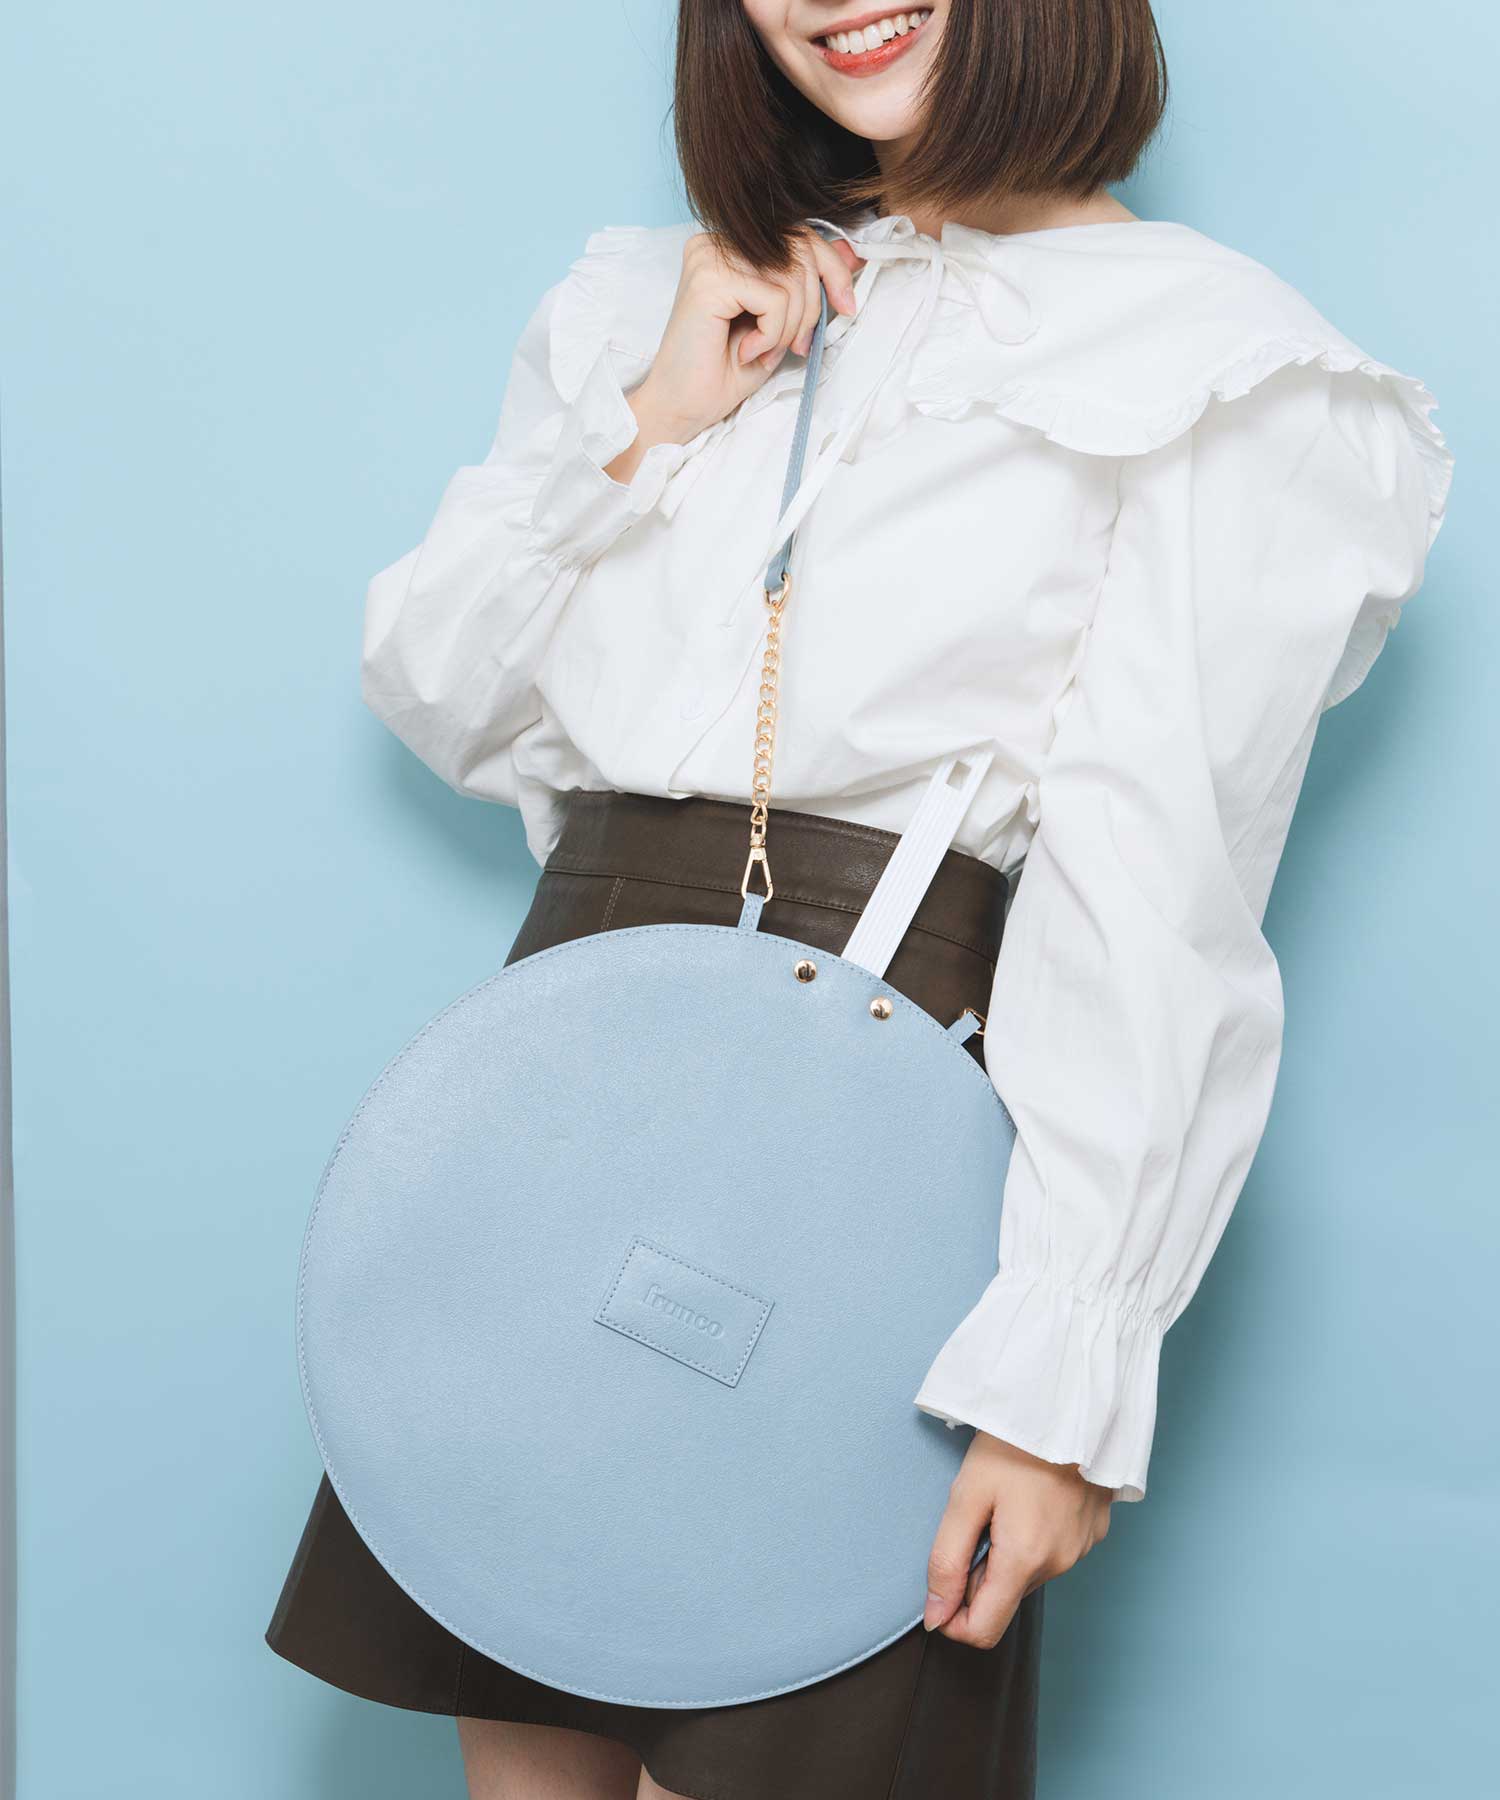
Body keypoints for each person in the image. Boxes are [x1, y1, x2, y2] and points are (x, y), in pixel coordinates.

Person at [265, 2, 1452, 1795]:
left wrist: (1063, 1374)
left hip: (883, 1107)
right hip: (562, 1083)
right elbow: (446, 694)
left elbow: (1156, 894)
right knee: (528, 1747)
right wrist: (658, 419)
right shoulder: (669, 299)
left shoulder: (1215, 364)